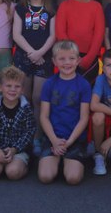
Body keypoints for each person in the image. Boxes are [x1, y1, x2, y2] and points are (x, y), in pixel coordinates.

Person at [13, 0, 56, 157]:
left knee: (38, 99)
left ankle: (38, 137)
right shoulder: (20, 9)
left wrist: (40, 53)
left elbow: (53, 35)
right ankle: (23, 136)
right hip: (23, 57)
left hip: (43, 58)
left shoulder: (51, 10)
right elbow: (16, 34)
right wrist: (31, 53)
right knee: (24, 98)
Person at [38, 41, 91, 185]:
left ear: (78, 60)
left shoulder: (84, 85)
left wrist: (69, 142)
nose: (67, 63)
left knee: (73, 178)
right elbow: (44, 116)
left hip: (74, 138)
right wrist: (54, 140)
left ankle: (68, 160)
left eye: (71, 58)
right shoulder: (49, 83)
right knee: (45, 177)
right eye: (62, 59)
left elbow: (84, 118)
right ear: (54, 61)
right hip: (53, 136)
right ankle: (56, 159)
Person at [0, 66, 36, 181]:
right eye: (8, 86)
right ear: (0, 87)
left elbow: (29, 132)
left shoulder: (26, 109)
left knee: (13, 173)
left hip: (18, 150)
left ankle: (24, 166)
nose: (13, 90)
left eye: (17, 86)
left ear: (22, 90)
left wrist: (14, 149)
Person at [55, 0, 105, 85]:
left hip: (89, 59)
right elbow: (60, 32)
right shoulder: (64, 6)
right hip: (67, 57)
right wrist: (71, 56)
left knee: (86, 94)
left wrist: (88, 58)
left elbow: (99, 35)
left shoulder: (96, 7)